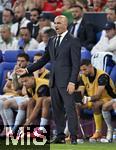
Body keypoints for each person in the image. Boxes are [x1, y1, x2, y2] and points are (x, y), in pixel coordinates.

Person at [16, 15, 81, 144]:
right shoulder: (51, 40)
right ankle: (60, 136)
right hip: (54, 81)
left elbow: (76, 64)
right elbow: (44, 60)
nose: (56, 25)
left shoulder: (73, 40)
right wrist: (28, 70)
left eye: (59, 23)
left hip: (67, 82)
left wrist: (72, 81)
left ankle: (73, 137)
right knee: (57, 110)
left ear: (65, 24)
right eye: (55, 23)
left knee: (70, 109)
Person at [76, 59, 116, 141]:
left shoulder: (102, 76)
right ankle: (72, 132)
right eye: (81, 70)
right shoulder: (83, 76)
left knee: (95, 104)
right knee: (76, 105)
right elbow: (81, 90)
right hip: (92, 99)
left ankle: (98, 132)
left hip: (108, 98)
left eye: (84, 69)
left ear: (90, 66)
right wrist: (78, 98)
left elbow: (98, 96)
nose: (83, 72)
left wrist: (87, 98)